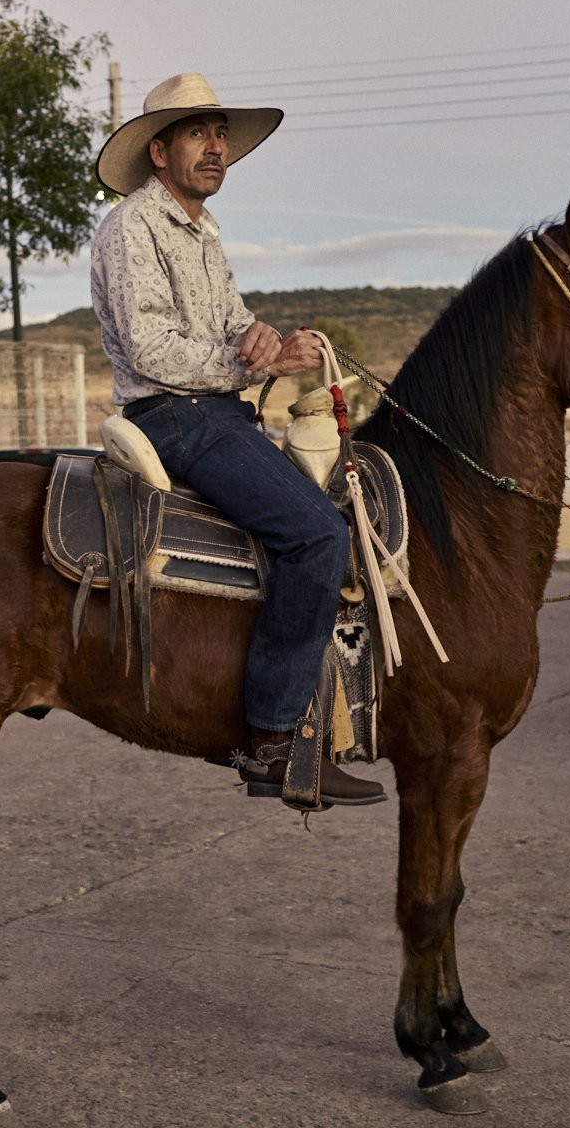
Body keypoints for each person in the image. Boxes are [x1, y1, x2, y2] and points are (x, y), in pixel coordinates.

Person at [89, 72, 385, 808]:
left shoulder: (203, 235)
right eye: (198, 133)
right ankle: (275, 738)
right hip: (175, 415)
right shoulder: (132, 227)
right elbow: (152, 349)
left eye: (220, 133)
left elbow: (230, 328)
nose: (216, 146)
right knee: (317, 534)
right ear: (158, 152)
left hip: (218, 409)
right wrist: (239, 360)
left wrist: (264, 341)